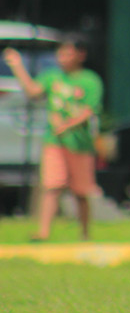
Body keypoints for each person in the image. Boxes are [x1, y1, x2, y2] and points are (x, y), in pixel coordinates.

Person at [3, 33, 104, 242]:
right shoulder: (52, 76)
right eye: (61, 52)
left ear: (81, 55)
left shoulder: (90, 80)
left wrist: (66, 126)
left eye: (68, 53)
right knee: (51, 186)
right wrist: (17, 65)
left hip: (80, 145)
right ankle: (43, 232)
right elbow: (32, 91)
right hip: (54, 142)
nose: (62, 57)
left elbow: (88, 112)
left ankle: (85, 234)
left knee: (80, 192)